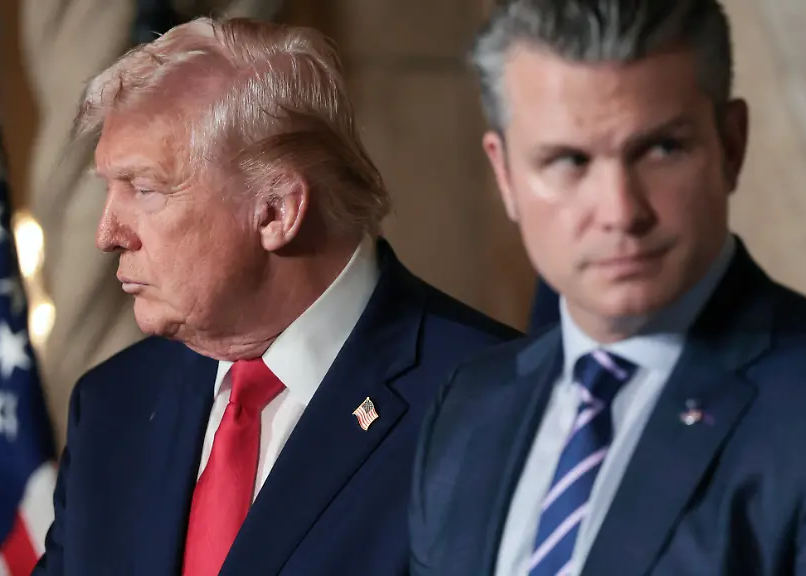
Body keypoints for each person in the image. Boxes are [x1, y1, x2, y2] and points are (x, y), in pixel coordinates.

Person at [32, 16, 521, 576]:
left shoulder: (496, 405)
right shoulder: (113, 404)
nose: (107, 234)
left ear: (277, 211)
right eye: (110, 190)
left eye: (144, 189)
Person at [410, 1, 806, 575]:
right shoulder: (468, 404)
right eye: (569, 160)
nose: (620, 212)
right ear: (505, 175)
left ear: (732, 145)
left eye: (661, 149)